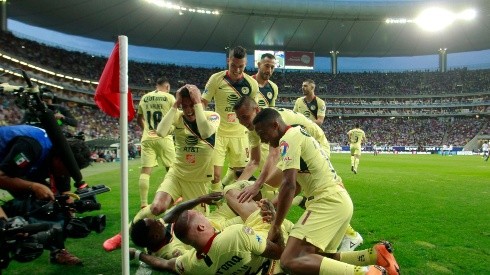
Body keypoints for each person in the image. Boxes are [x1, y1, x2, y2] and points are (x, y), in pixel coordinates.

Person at [252, 108, 400, 275]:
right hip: (339, 201)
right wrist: (272, 204)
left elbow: (289, 184)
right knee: (318, 257)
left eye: (262, 133)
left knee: (290, 259)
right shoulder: (299, 134)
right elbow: (298, 186)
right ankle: (374, 256)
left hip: (326, 202)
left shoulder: (288, 139)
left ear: (274, 125)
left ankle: (367, 273)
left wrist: (276, 226)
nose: (262, 140)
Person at [233, 96, 363, 252]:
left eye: (245, 117)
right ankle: (278, 208)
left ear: (257, 110)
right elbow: (254, 161)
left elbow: (274, 155)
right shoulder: (254, 129)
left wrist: (256, 185)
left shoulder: (273, 120)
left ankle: (348, 232)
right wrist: (237, 186)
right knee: (280, 184)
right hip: (297, 147)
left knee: (304, 185)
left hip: (316, 142)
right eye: (240, 119)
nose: (243, 123)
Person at [103, 84, 220, 251]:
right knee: (157, 207)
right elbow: (160, 132)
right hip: (177, 174)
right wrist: (174, 105)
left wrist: (197, 104)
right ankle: (124, 234)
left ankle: (171, 228)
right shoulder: (177, 116)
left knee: (196, 229)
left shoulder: (212, 116)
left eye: (191, 105)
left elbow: (205, 132)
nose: (188, 110)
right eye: (184, 106)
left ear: (199, 102)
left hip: (198, 180)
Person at [128, 190, 287, 274]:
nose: (159, 220)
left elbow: (171, 214)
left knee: (233, 192)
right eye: (155, 222)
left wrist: (200, 199)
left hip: (218, 227)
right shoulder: (173, 251)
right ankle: (287, 199)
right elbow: (279, 252)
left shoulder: (190, 263)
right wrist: (276, 224)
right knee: (263, 215)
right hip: (224, 233)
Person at [0, 125, 92, 265]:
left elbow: (65, 193)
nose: (66, 175)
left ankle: (58, 251)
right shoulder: (31, 146)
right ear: (59, 160)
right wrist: (33, 186)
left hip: (15, 167)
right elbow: (1, 177)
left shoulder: (63, 156)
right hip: (5, 169)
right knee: (7, 226)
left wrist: (69, 205)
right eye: (67, 170)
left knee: (55, 205)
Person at [202, 46, 260, 190]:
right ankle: (217, 203)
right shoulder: (216, 79)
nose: (237, 70)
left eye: (241, 66)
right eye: (233, 65)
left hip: (240, 135)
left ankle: (230, 203)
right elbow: (202, 104)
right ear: (228, 61)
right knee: (214, 176)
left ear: (245, 64)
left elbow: (255, 109)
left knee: (239, 174)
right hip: (218, 135)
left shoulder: (252, 84)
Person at [136, 77, 176, 209]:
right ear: (167, 87)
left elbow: (139, 118)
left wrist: (146, 130)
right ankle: (172, 198)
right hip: (164, 137)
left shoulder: (144, 97)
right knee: (171, 170)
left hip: (147, 138)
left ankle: (143, 203)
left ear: (156, 85)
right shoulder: (169, 97)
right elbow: (175, 118)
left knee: (145, 171)